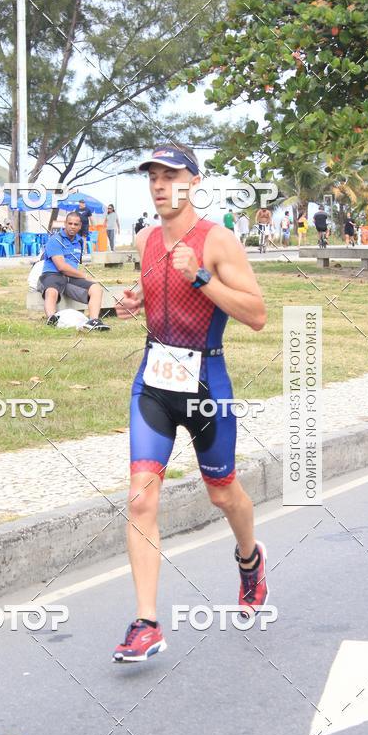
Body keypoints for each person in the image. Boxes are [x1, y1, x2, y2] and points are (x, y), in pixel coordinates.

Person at [113, 143, 268, 662]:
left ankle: (250, 560)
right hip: (153, 381)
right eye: (152, 176)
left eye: (170, 176)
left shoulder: (218, 240)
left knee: (222, 493)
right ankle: (146, 623)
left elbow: (256, 314)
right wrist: (135, 299)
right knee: (140, 497)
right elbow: (155, 293)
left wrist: (200, 276)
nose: (159, 185)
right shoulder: (144, 240)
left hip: (206, 387)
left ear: (194, 183)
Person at [38, 212, 110, 330]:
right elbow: (61, 266)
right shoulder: (55, 240)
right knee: (51, 291)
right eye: (70, 223)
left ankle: (93, 321)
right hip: (53, 274)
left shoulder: (79, 241)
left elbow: (74, 265)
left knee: (96, 288)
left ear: (80, 226)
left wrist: (80, 277)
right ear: (65, 224)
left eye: (76, 224)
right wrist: (83, 275)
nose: (72, 226)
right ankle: (51, 319)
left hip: (71, 278)